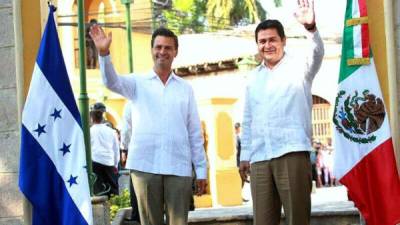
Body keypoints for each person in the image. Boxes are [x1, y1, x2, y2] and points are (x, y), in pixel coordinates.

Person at [89, 25, 207, 225]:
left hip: (178, 166)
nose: (162, 52)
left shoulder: (185, 89)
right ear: (152, 50)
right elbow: (111, 82)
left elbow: (195, 132)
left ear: (175, 52)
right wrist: (103, 53)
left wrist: (201, 170)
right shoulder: (137, 83)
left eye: (168, 48)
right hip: (145, 166)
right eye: (158, 47)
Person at [239, 0, 324, 224]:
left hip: (292, 152)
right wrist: (245, 155)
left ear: (283, 41)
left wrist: (311, 28)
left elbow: (317, 52)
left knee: (298, 219)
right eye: (262, 41)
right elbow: (247, 118)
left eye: (272, 40)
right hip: (260, 158)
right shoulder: (253, 77)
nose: (267, 45)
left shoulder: (301, 67)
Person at [90, 105, 120, 197]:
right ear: (102, 115)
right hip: (109, 163)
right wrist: (115, 165)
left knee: (97, 193)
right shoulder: (111, 131)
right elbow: (116, 150)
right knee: (113, 193)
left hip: (94, 163)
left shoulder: (89, 131)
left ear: (92, 117)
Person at [120, 101, 140, 223]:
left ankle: (137, 215)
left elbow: (126, 130)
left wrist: (124, 149)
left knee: (136, 184)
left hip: (137, 151)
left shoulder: (131, 103)